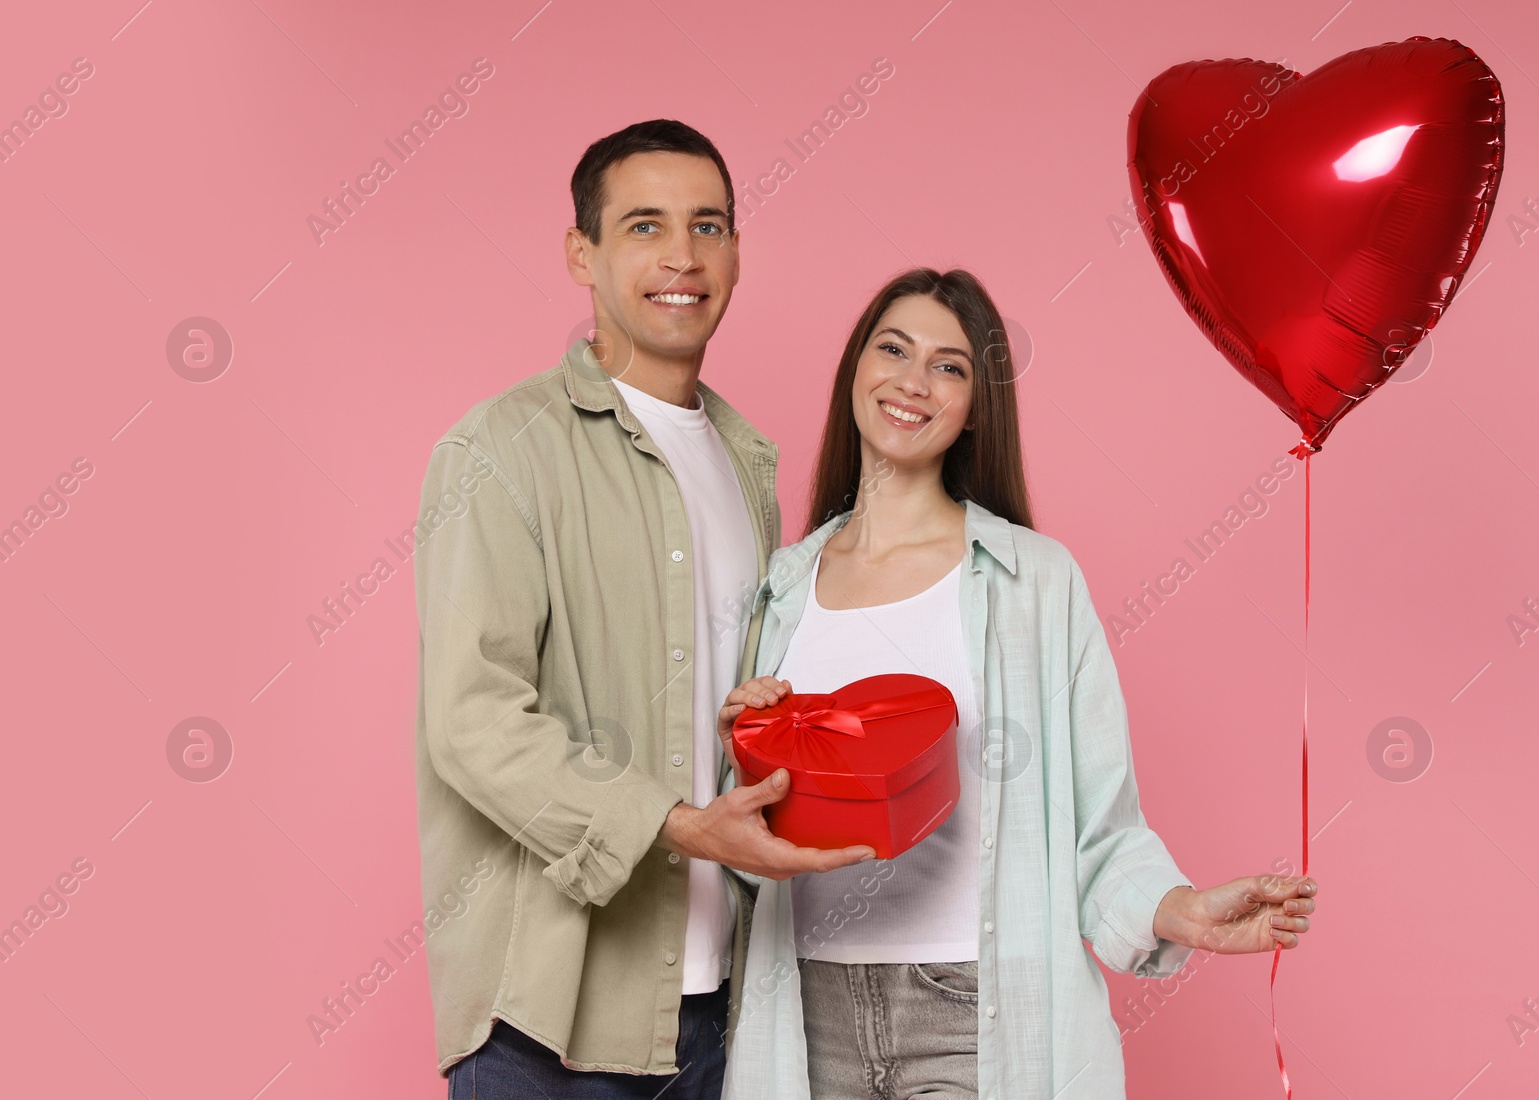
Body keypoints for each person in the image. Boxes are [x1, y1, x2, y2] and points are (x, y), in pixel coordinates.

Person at [717, 269, 1319, 1099]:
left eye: (950, 366)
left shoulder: (1033, 582)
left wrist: (1177, 910)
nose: (913, 381)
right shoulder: (783, 587)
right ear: (855, 368)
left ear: (973, 408)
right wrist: (743, 754)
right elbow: (748, 849)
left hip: (968, 1017)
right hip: (808, 1013)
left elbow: (1099, 819)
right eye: (892, 349)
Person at [412, 119, 873, 1099]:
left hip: (718, 1011)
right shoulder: (499, 451)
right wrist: (680, 823)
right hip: (546, 1018)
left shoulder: (750, 466)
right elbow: (472, 719)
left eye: (708, 225)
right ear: (581, 252)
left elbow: (725, 709)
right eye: (644, 225)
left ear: (737, 253)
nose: (681, 256)